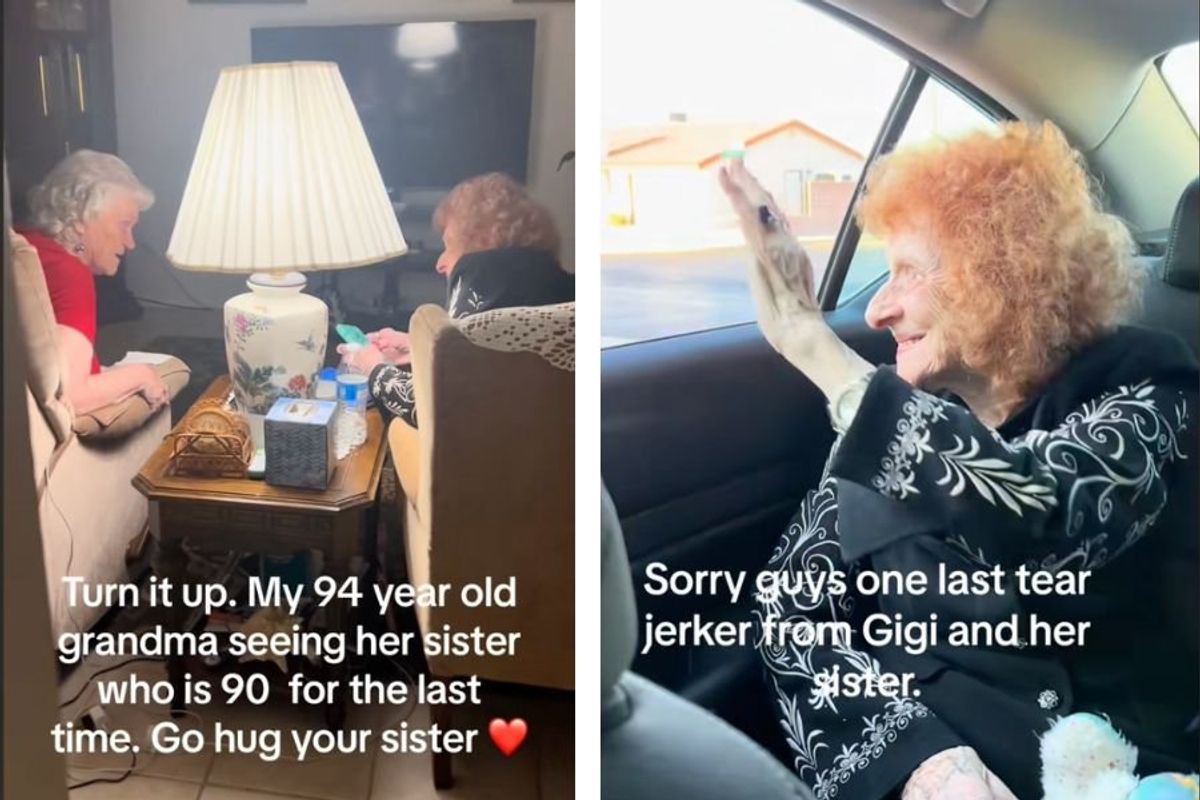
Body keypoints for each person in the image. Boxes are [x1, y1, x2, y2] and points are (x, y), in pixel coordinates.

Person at [719, 122, 1197, 800]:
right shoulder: (894, 427)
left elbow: (1036, 514)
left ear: (1007, 272)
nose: (879, 310)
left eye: (910, 270)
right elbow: (791, 609)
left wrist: (811, 343)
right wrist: (920, 761)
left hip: (1114, 774)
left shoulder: (1146, 386)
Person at [340, 172, 574, 425]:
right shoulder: (560, 287)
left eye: (450, 245)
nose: (440, 263)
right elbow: (495, 370)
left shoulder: (481, 269)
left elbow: (440, 407)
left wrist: (374, 366)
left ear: (485, 240)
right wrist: (418, 348)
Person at [16, 150, 170, 414]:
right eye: (124, 225)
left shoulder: (23, 243)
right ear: (79, 222)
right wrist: (142, 375)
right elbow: (71, 397)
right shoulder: (69, 273)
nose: (130, 243)